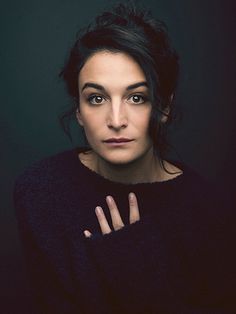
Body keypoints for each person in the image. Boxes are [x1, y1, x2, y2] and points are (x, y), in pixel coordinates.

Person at [14, 1, 235, 314]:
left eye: (136, 97)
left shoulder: (210, 212)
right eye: (97, 98)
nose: (116, 119)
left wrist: (140, 274)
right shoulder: (39, 191)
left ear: (163, 107)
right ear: (78, 110)